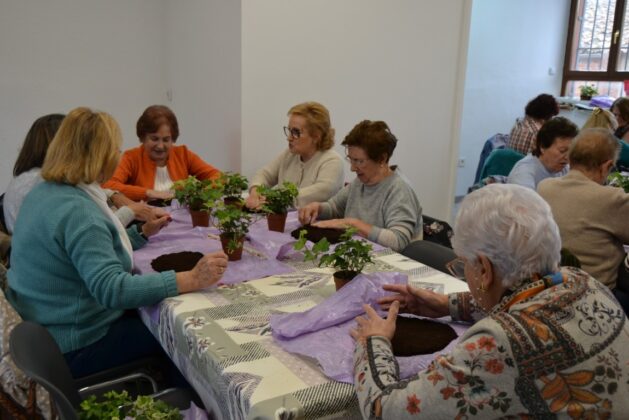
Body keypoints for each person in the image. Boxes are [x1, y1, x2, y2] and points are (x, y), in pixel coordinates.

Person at [351, 183, 629, 418]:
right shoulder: (580, 280)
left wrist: (373, 343)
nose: (466, 274)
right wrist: (448, 305)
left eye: (464, 266)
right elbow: (530, 303)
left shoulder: (496, 344)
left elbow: (385, 411)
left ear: (484, 270)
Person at [6, 107, 229, 379]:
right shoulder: (78, 210)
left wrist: (141, 233)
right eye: (115, 149)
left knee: (160, 315)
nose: (118, 155)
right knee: (185, 339)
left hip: (46, 328)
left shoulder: (46, 191)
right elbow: (113, 289)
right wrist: (191, 279)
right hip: (76, 342)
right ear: (100, 155)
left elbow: (85, 254)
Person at [3, 114, 164, 235]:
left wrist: (112, 195)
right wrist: (132, 211)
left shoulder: (31, 177)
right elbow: (94, 231)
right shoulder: (45, 185)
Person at [538, 128, 629, 312]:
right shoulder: (612, 199)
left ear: (570, 159)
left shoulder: (544, 187)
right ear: (606, 166)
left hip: (548, 288)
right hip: (598, 297)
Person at [298, 120, 422, 252]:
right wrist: (318, 208)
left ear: (382, 159)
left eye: (359, 161)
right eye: (351, 159)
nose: (352, 168)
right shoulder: (360, 182)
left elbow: (398, 241)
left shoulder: (399, 190)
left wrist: (353, 224)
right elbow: (335, 208)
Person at [103, 105, 221, 201]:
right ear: (143, 137)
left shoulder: (183, 154)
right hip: (144, 222)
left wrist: (195, 192)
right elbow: (108, 185)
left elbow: (218, 177)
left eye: (166, 140)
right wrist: (149, 193)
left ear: (173, 139)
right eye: (154, 139)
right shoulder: (131, 157)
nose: (160, 146)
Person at [245, 102, 344, 209]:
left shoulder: (332, 161)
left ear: (316, 137)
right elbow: (264, 174)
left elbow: (320, 192)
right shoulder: (289, 154)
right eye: (289, 130)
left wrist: (272, 199)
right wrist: (256, 192)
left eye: (296, 132)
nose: (289, 138)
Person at [507, 116, 578, 190]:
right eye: (562, 151)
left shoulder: (565, 168)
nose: (567, 157)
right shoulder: (524, 173)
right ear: (542, 147)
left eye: (571, 151)